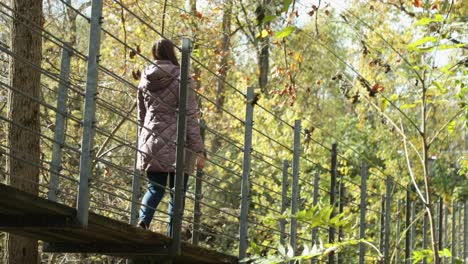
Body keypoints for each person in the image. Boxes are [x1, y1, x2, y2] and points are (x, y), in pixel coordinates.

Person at [136, 39, 205, 236]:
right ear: (172, 53)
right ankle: (173, 236)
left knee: (154, 188)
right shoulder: (182, 78)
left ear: (154, 53)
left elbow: (141, 115)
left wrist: (143, 140)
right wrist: (198, 150)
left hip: (151, 137)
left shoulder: (145, 78)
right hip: (178, 140)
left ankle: (143, 221)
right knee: (178, 193)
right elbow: (191, 116)